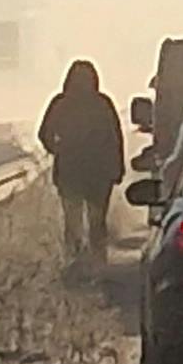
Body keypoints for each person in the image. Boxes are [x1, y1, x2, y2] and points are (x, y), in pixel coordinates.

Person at [38, 59, 127, 264]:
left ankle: (74, 261)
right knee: (97, 222)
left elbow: (44, 134)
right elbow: (115, 138)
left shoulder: (61, 103)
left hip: (70, 171)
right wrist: (117, 168)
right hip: (99, 174)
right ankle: (98, 262)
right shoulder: (102, 103)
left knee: (73, 222)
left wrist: (58, 150)